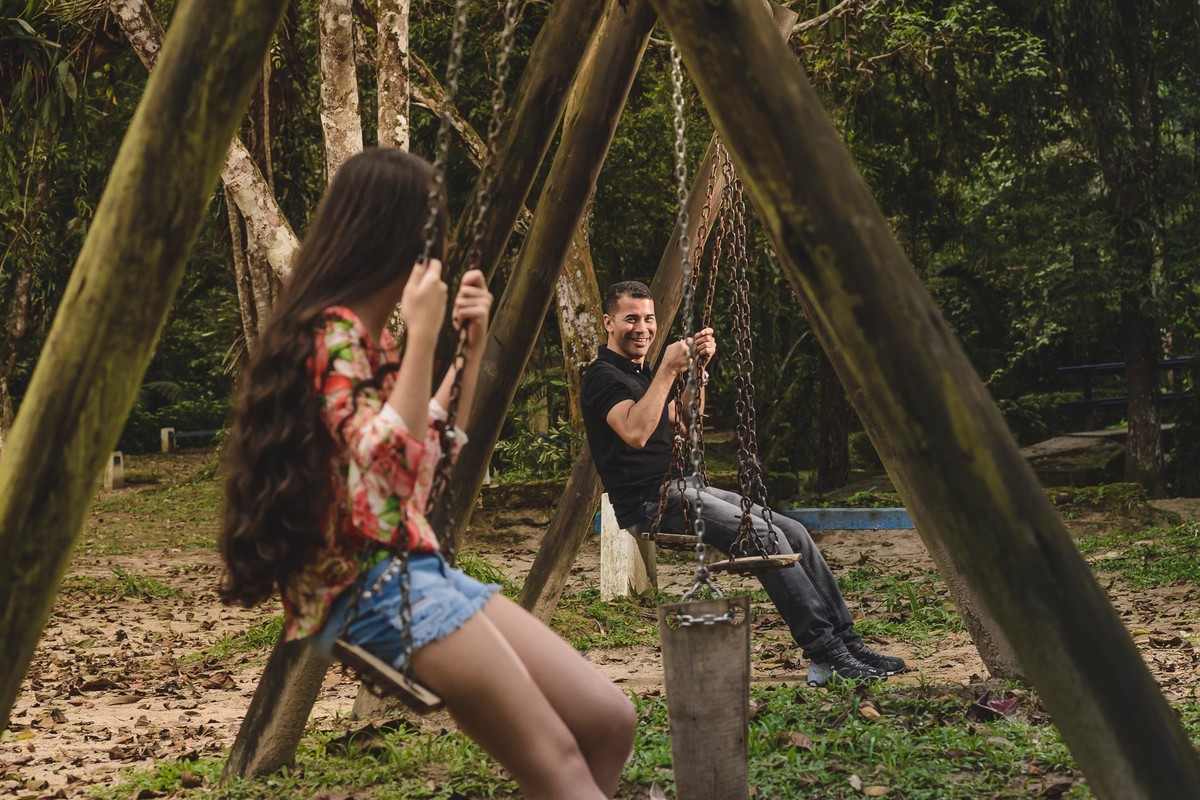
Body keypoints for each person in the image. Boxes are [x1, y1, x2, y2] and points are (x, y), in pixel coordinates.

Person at [218, 149, 635, 800]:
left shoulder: (372, 340)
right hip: (369, 587)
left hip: (417, 572)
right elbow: (386, 464)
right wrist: (422, 336)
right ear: (393, 234)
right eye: (430, 233)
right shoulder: (327, 336)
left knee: (608, 721)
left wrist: (466, 345)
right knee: (559, 762)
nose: (437, 252)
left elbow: (427, 465)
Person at [581, 280, 906, 685]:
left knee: (794, 531)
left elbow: (686, 423)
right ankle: (824, 654)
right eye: (631, 319)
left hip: (682, 486)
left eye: (649, 318)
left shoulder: (641, 375)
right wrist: (667, 368)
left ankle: (845, 640)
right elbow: (635, 432)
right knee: (766, 538)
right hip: (651, 502)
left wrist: (698, 370)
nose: (642, 327)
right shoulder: (602, 377)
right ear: (608, 322)